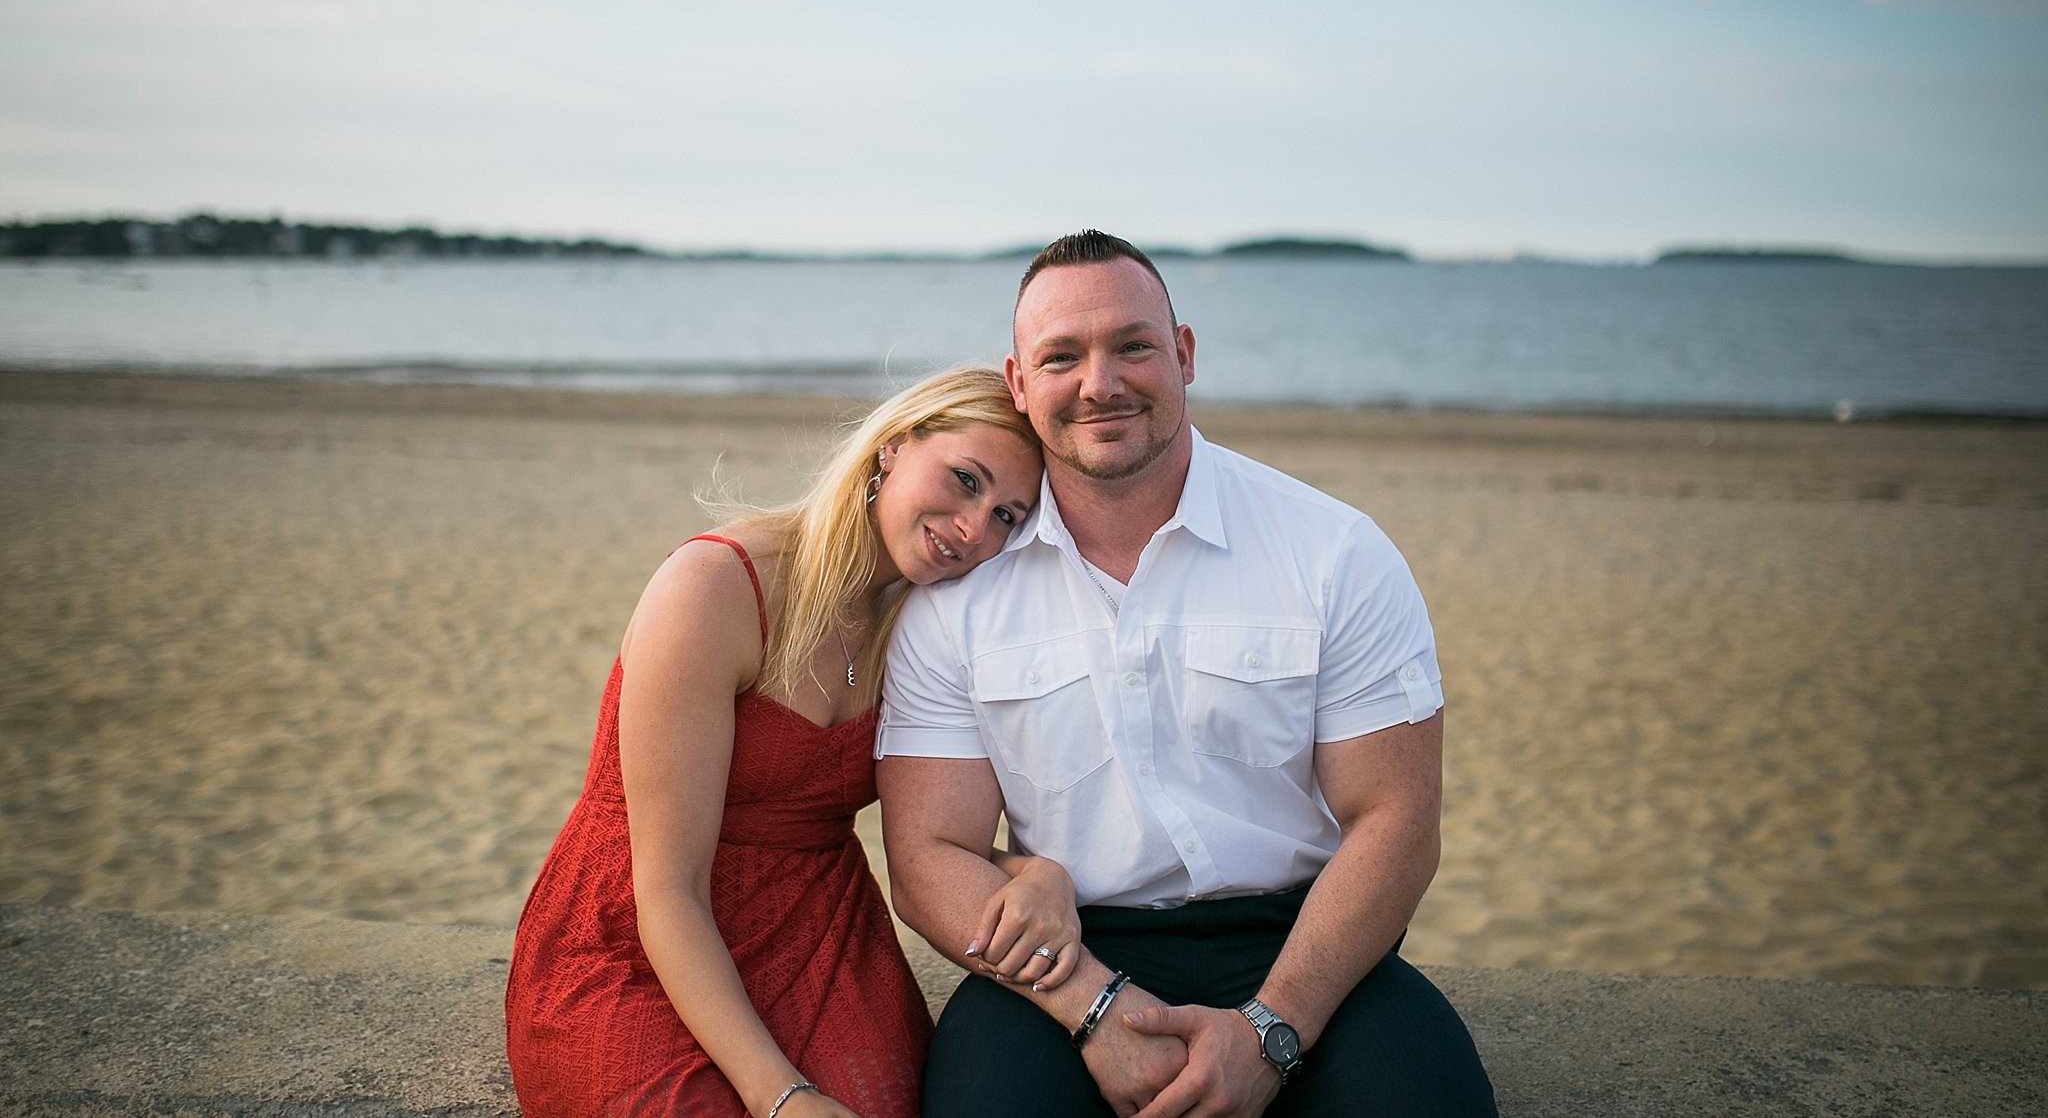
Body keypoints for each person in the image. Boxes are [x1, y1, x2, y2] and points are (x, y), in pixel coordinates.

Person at [877, 233, 1498, 1117]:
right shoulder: (956, 599)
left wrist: (1272, 1028)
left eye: (1133, 345)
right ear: (1019, 384)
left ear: (1185, 355)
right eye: (1062, 357)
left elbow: (1398, 821)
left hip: (1307, 942)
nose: (1101, 383)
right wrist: (1094, 1009)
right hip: (1066, 958)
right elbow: (927, 856)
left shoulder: (1333, 551)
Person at [506, 367, 1079, 1118]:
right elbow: (668, 888)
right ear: (894, 448)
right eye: (964, 480)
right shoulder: (717, 585)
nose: (975, 529)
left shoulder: (925, 626)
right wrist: (781, 1096)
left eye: (1008, 515)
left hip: (818, 933)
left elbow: (931, 830)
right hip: (640, 935)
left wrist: (1039, 876)